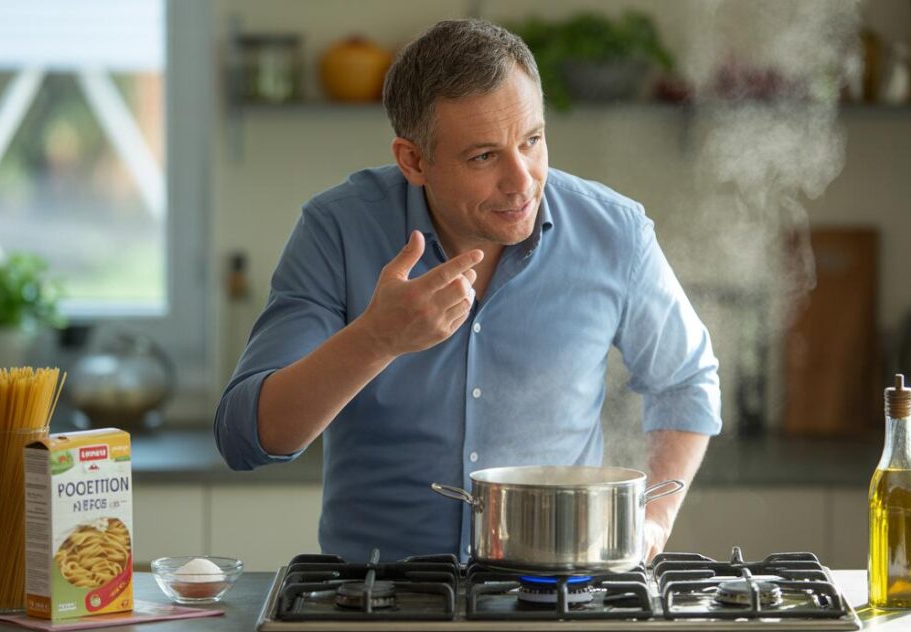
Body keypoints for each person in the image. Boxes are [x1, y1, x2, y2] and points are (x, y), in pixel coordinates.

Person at [214, 19, 721, 565]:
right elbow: (245, 437)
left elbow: (686, 382)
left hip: (555, 592)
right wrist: (375, 339)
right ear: (413, 160)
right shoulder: (337, 230)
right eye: (484, 157)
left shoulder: (614, 232)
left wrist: (653, 519)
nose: (522, 180)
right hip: (374, 599)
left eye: (532, 140)